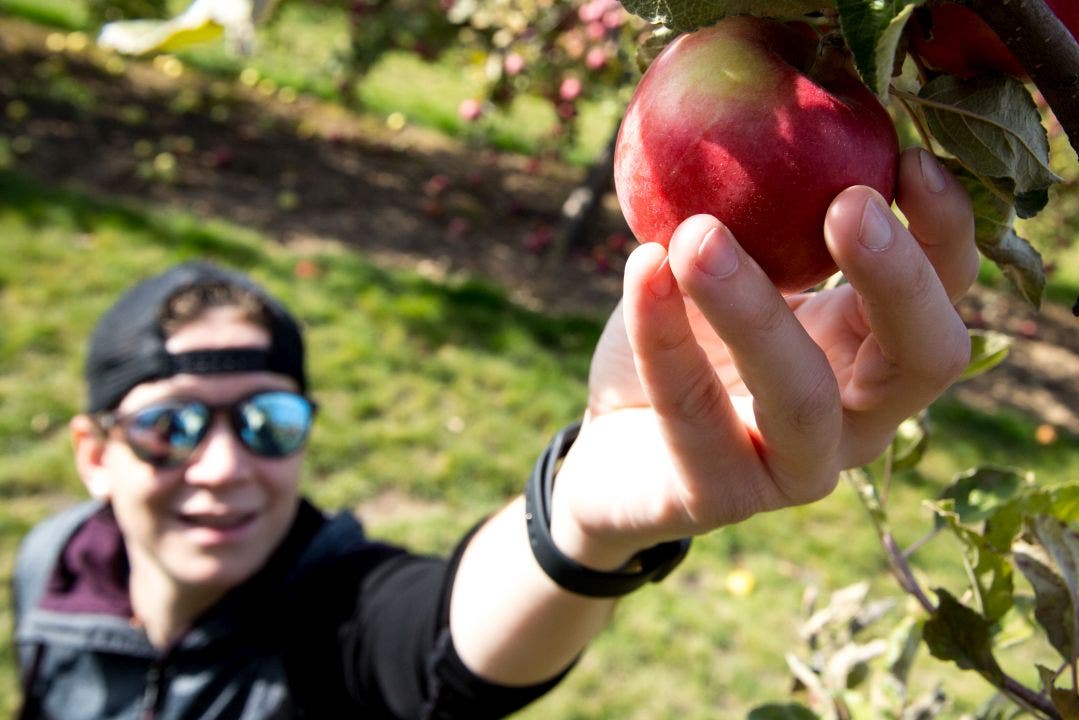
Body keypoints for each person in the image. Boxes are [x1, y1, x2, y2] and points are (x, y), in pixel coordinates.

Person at [11, 147, 977, 719]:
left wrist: (584, 522)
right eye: (173, 428)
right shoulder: (52, 574)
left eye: (269, 421)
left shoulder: (334, 615)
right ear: (93, 456)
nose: (224, 467)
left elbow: (441, 644)